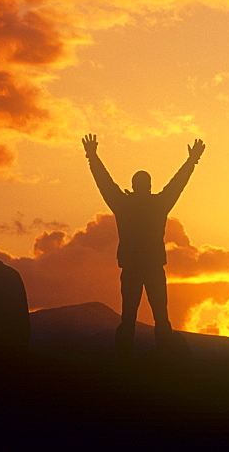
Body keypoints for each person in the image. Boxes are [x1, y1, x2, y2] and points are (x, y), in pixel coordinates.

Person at [82, 133, 205, 356]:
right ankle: (165, 355)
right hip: (152, 267)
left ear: (134, 185)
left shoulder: (123, 204)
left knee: (129, 317)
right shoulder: (158, 204)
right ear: (149, 186)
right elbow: (178, 184)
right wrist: (192, 160)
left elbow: (104, 183)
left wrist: (92, 157)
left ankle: (125, 358)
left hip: (132, 267)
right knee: (160, 315)